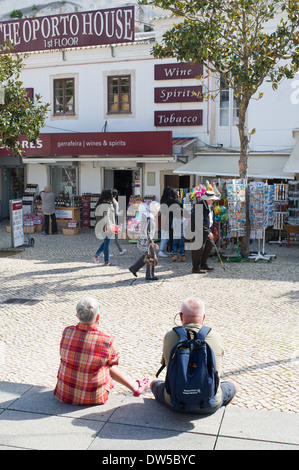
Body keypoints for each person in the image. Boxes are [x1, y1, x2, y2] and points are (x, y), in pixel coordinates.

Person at [54, 296, 149, 405]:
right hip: (94, 397)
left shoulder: (67, 331)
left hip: (64, 394)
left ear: (77, 316)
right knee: (107, 364)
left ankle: (134, 386)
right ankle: (134, 386)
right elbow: (113, 362)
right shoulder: (106, 339)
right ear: (98, 317)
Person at [150, 297, 238, 414]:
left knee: (153, 383)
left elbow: (166, 363)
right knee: (234, 385)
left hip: (174, 402)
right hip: (210, 403)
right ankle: (217, 413)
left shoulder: (170, 336)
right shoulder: (215, 336)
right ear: (204, 317)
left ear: (181, 316)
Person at [129, 201, 160, 281]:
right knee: (150, 257)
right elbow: (147, 229)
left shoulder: (147, 214)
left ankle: (134, 268)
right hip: (146, 239)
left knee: (148, 256)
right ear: (155, 209)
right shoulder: (150, 217)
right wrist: (150, 240)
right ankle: (149, 275)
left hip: (144, 238)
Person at [191, 190, 219, 274]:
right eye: (212, 199)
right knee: (198, 250)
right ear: (207, 199)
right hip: (198, 231)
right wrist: (207, 232)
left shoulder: (210, 206)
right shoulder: (200, 206)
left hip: (207, 230)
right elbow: (198, 222)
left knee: (208, 246)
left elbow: (209, 219)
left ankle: (203, 264)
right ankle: (195, 267)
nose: (213, 201)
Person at [93, 189, 116, 266]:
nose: (112, 195)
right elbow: (107, 217)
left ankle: (97, 255)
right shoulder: (107, 204)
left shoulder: (100, 203)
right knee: (107, 243)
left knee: (106, 242)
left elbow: (96, 215)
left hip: (101, 225)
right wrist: (110, 227)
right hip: (107, 225)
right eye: (111, 194)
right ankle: (106, 261)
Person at [112, 189, 126, 255]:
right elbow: (115, 213)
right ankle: (120, 250)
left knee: (111, 237)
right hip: (113, 221)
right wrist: (120, 213)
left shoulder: (110, 201)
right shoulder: (114, 202)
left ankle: (120, 249)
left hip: (111, 220)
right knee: (113, 237)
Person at [158, 186, 171, 257]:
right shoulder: (167, 201)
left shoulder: (163, 199)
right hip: (165, 218)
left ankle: (163, 250)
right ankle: (161, 250)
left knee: (164, 235)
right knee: (166, 236)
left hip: (163, 218)